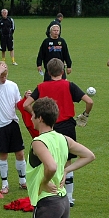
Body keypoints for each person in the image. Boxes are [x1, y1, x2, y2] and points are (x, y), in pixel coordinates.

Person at [23, 58, 93, 206]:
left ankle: (47, 188)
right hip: (67, 126)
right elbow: (89, 101)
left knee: (47, 160)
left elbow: (26, 104)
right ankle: (69, 197)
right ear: (63, 71)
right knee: (66, 162)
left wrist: (35, 115)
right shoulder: (69, 85)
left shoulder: (41, 86)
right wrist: (85, 115)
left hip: (48, 126)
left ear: (48, 72)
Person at [0, 61, 27, 193]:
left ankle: (23, 181)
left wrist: (25, 98)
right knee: (3, 154)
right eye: (1, 76)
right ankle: (4, 184)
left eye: (5, 76)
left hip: (13, 123)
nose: (3, 78)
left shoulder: (13, 85)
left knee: (20, 153)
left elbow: (17, 105)